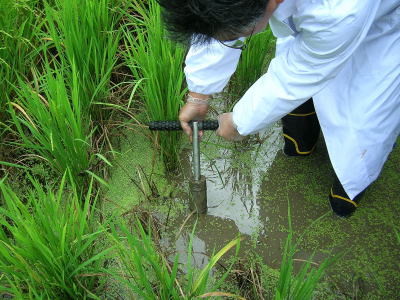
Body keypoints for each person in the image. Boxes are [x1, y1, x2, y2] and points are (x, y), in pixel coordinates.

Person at [157, 0, 400, 217]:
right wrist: (199, 96)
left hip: (381, 33)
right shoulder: (238, 7)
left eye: (236, 31)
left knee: (359, 129)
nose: (229, 37)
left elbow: (297, 75)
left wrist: (240, 122)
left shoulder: (341, 8)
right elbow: (217, 21)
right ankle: (302, 148)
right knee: (298, 118)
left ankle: (345, 196)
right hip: (314, 32)